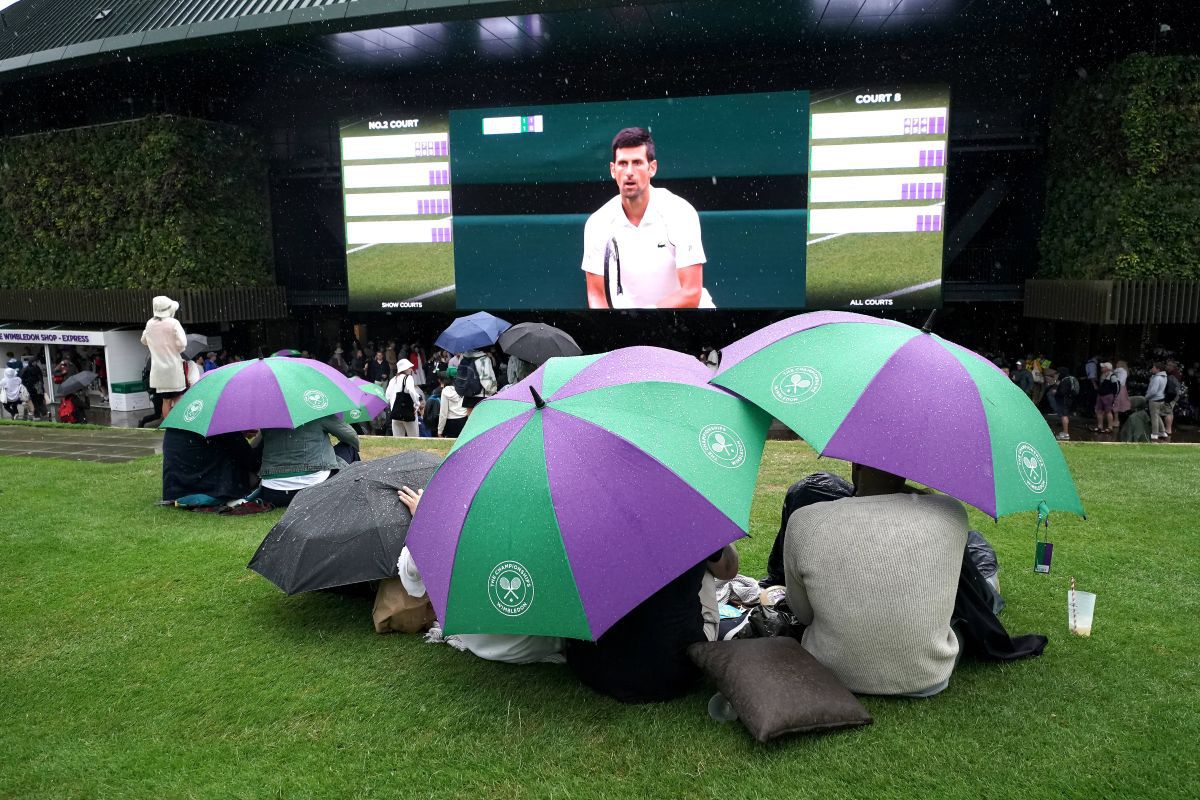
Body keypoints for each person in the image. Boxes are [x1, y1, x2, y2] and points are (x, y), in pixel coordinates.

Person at [784, 464, 967, 697]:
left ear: (856, 464)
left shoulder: (804, 521)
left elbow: (803, 614)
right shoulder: (951, 513)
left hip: (829, 673)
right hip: (927, 677)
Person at [395, 486, 565, 664]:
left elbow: (409, 573)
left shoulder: (447, 529)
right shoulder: (540, 526)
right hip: (539, 641)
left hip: (481, 642)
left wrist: (426, 520)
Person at [565, 544, 739, 703]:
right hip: (676, 668)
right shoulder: (694, 516)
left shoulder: (581, 522)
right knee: (706, 565)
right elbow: (728, 571)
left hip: (595, 666)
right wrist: (719, 541)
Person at [582, 127, 711, 309]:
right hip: (630, 326)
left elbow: (691, 293)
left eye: (637, 163)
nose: (629, 172)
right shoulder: (597, 224)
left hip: (689, 322)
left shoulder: (680, 213)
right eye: (622, 163)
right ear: (613, 170)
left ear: (652, 168)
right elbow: (597, 297)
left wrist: (647, 319)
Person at [258, 414, 359, 508]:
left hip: (272, 493)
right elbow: (351, 437)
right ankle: (358, 489)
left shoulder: (267, 416)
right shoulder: (316, 411)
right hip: (314, 490)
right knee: (349, 448)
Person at [162, 428, 262, 505]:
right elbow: (252, 462)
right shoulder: (222, 421)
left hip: (174, 488)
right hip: (209, 488)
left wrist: (238, 434)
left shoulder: (184, 412)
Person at [141, 295, 189, 419]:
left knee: (165, 401)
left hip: (158, 370)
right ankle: (178, 424)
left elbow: (144, 340)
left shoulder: (150, 323)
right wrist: (176, 348)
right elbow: (182, 344)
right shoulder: (173, 323)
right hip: (173, 367)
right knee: (178, 398)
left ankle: (168, 427)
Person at [385, 358, 423, 438]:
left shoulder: (392, 380)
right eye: (409, 367)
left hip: (395, 413)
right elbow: (411, 391)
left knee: (398, 440)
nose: (411, 369)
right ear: (404, 368)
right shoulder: (408, 378)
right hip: (408, 412)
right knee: (414, 438)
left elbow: (387, 396)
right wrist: (417, 404)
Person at [436, 371, 469, 438]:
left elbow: (443, 412)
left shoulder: (445, 391)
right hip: (464, 420)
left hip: (451, 422)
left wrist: (440, 430)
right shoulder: (464, 388)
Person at [1053, 366, 1079, 441]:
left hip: (1064, 400)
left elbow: (1062, 392)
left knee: (1064, 415)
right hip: (1069, 400)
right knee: (1065, 415)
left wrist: (1056, 391)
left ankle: (1066, 433)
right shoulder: (1069, 378)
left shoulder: (1065, 380)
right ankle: (1065, 432)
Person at [1092, 362, 1117, 434]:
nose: (1101, 368)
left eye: (1103, 367)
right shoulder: (1102, 375)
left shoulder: (1112, 376)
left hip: (1108, 395)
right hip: (1100, 395)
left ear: (1107, 368)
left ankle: (1110, 427)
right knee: (1098, 410)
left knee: (1108, 411)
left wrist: (1114, 395)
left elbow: (1115, 386)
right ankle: (1100, 426)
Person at [1145, 362, 1168, 441]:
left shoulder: (1157, 378)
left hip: (1154, 400)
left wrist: (1146, 397)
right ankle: (1162, 432)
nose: (1152, 369)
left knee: (1154, 417)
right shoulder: (1164, 377)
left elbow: (1153, 391)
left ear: (1158, 369)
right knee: (1157, 415)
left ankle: (1155, 434)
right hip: (1161, 399)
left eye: (1153, 367)